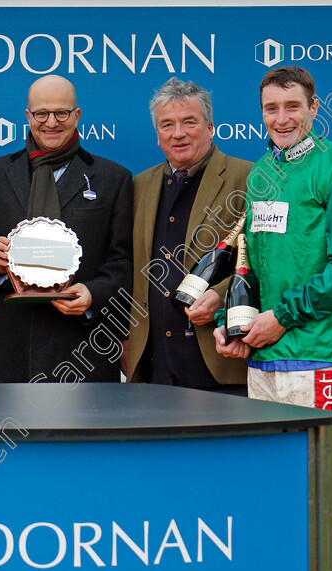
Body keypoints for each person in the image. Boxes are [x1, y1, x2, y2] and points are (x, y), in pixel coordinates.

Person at [214, 65, 332, 571]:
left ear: (314, 108)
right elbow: (251, 267)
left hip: (317, 357)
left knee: (323, 484)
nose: (280, 118)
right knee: (275, 483)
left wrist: (281, 318)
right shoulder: (263, 174)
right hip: (264, 359)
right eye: (270, 108)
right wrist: (232, 323)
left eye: (291, 107)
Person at [0, 74, 132, 383]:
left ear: (77, 115)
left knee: (83, 432)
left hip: (83, 347)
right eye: (41, 114)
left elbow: (125, 261)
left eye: (61, 113)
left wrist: (93, 293)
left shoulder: (113, 179)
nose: (51, 122)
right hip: (7, 348)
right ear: (28, 116)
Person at [125, 78, 250, 394]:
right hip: (152, 367)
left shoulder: (248, 177)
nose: (178, 133)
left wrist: (222, 296)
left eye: (189, 122)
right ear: (157, 136)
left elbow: (270, 263)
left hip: (220, 364)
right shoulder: (139, 186)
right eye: (167, 125)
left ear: (210, 127)